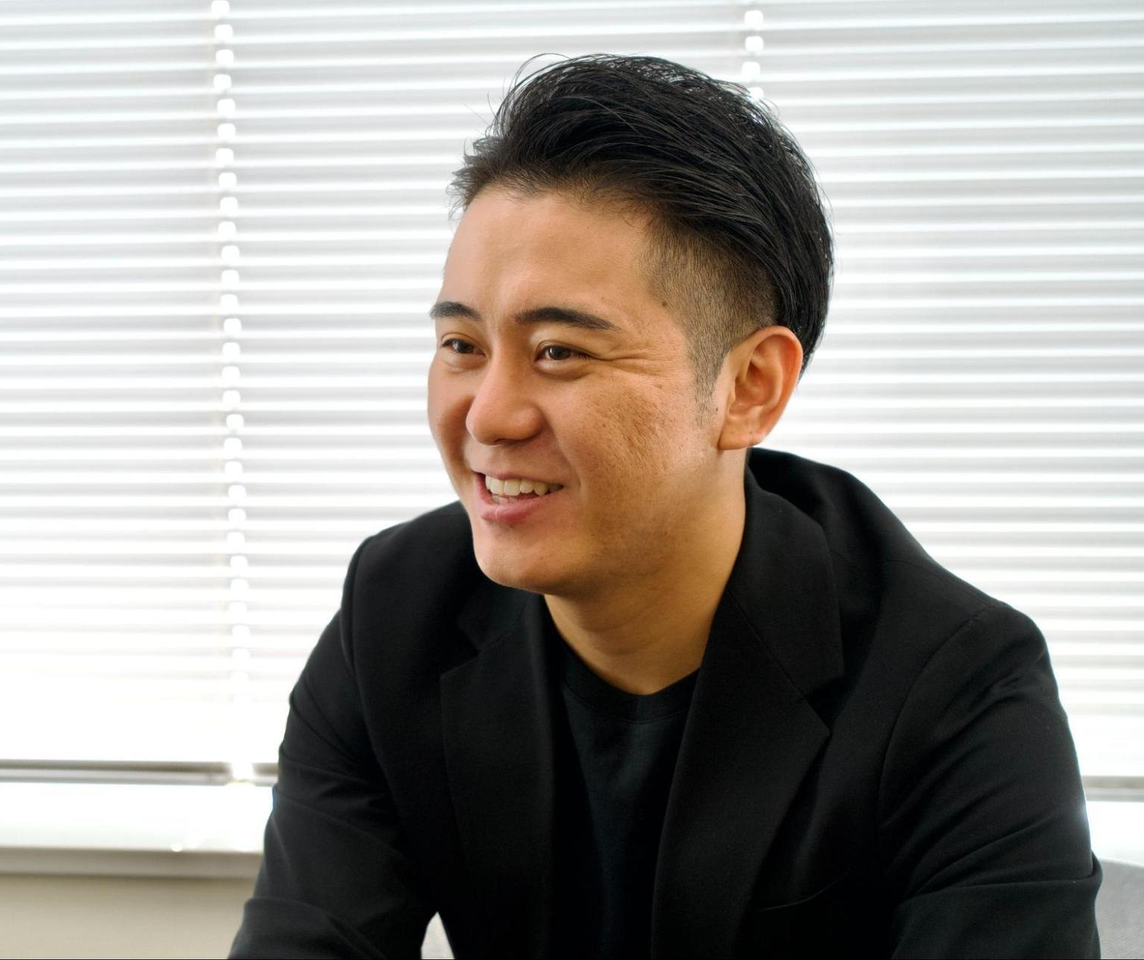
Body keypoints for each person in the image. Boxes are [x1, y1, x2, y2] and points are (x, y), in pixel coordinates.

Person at [229, 54, 1101, 959]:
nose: (487, 415)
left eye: (560, 352)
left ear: (749, 388)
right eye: (461, 344)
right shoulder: (395, 613)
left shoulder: (956, 688)